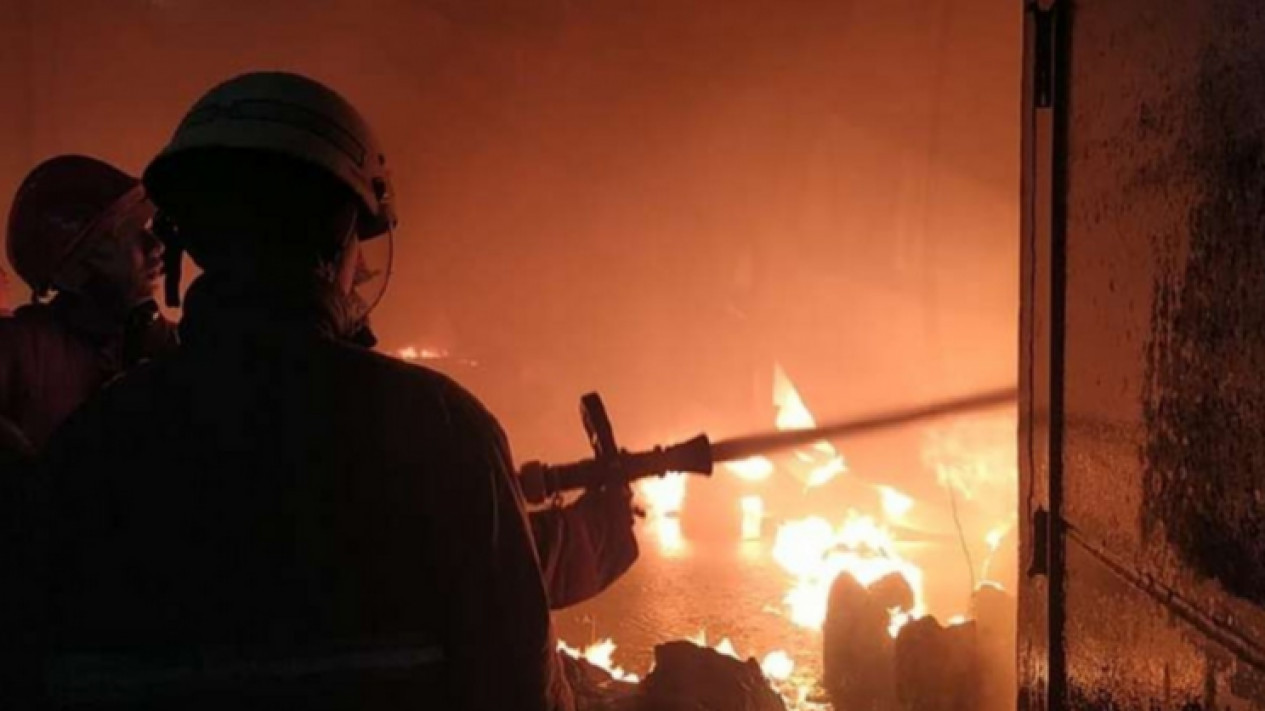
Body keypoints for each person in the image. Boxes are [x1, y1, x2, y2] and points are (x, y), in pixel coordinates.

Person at [39, 71, 637, 711]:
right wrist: (595, 536)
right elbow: (519, 683)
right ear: (343, 235)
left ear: (192, 241)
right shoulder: (442, 429)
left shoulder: (93, 442)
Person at [0, 155, 176, 452]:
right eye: (128, 233)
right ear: (74, 267)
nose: (156, 246)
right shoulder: (20, 347)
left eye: (145, 225)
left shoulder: (169, 345)